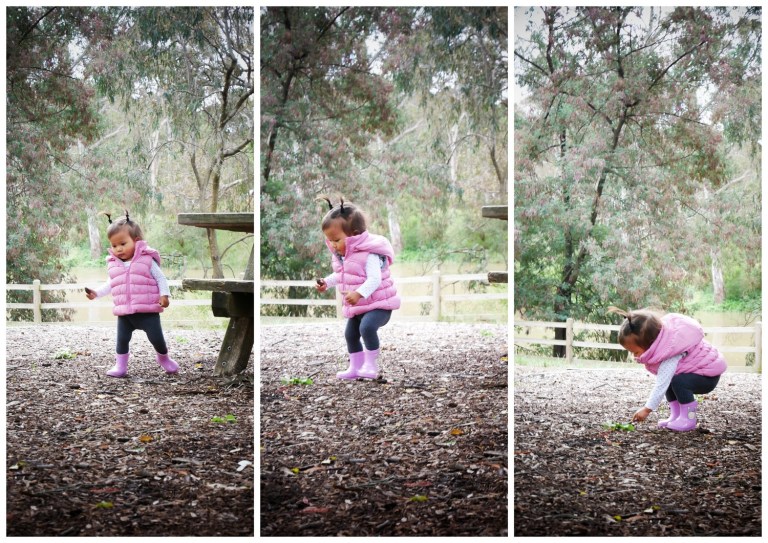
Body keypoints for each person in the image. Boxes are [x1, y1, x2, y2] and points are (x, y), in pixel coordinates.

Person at [315, 196, 401, 380]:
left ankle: (371, 366)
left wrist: (359, 293)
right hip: (359, 307)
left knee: (367, 328)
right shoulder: (342, 257)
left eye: (336, 240)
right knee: (350, 334)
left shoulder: (369, 254)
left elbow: (375, 279)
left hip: (379, 305)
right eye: (330, 241)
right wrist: (326, 282)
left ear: (354, 235)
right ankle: (355, 367)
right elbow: (341, 276)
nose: (333, 245)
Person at [86, 211, 179, 378]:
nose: (118, 249)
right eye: (114, 245)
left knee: (157, 339)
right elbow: (110, 284)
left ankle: (164, 359)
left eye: (123, 243)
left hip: (148, 312)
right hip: (125, 313)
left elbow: (161, 278)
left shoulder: (147, 260)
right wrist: (96, 294)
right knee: (122, 340)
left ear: (136, 241)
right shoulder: (113, 264)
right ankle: (120, 366)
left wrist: (164, 295)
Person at [608, 306, 727, 432]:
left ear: (651, 343)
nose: (634, 356)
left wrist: (647, 409)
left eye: (635, 352)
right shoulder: (664, 343)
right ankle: (676, 416)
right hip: (698, 372)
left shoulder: (669, 354)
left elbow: (661, 385)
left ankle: (689, 418)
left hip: (707, 377)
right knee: (672, 380)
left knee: (677, 381)